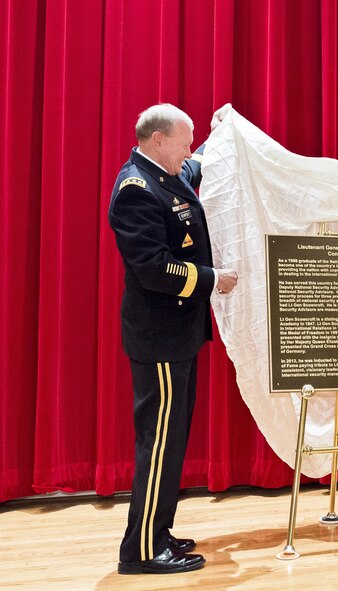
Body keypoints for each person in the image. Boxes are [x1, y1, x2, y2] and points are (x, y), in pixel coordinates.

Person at [108, 103, 237, 574]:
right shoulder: (137, 190)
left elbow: (196, 165)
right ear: (158, 140)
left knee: (172, 439)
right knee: (159, 443)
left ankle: (157, 532)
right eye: (184, 142)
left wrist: (222, 133)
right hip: (159, 337)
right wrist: (213, 279)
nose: (189, 151)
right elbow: (153, 267)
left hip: (176, 336)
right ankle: (142, 550)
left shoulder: (166, 173)